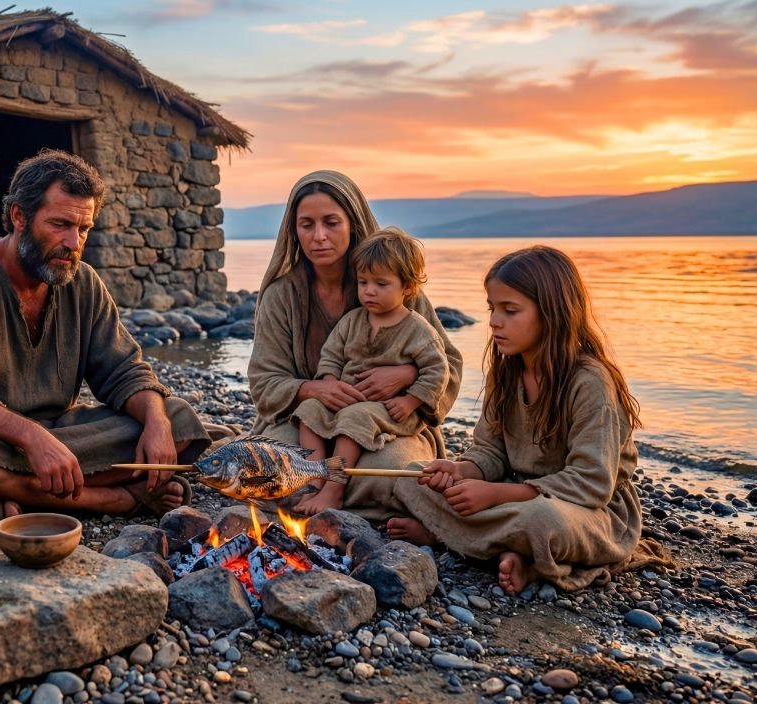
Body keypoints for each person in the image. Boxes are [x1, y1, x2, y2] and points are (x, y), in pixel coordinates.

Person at [0, 150, 211, 520]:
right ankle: (115, 500)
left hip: (59, 436)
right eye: (60, 224)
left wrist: (156, 424)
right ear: (19, 216)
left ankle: (16, 500)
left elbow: (124, 371)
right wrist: (31, 438)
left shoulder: (83, 282)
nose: (73, 243)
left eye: (83, 229)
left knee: (176, 417)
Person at [409, 245, 666, 593]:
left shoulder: (589, 382)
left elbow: (592, 483)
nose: (493, 321)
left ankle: (454, 537)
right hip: (514, 493)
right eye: (492, 308)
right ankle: (503, 548)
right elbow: (491, 451)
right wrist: (462, 471)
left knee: (543, 522)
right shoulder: (507, 372)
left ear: (552, 313)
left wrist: (498, 494)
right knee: (413, 477)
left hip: (587, 511)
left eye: (510, 310)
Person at [248, 170, 463, 530]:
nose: (319, 236)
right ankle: (330, 494)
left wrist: (407, 376)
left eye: (331, 222)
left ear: (353, 223)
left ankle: (333, 497)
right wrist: (315, 388)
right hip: (306, 425)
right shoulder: (281, 296)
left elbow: (448, 364)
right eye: (307, 224)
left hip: (384, 425)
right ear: (293, 231)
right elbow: (264, 381)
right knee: (266, 467)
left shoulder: (393, 285)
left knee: (395, 473)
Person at [290, 228, 450, 514]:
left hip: (393, 409)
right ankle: (313, 481)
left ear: (408, 287)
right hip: (349, 399)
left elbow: (438, 371)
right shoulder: (353, 321)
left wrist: (410, 400)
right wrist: (328, 381)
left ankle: (334, 489)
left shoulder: (417, 330)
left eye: (381, 284)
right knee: (311, 410)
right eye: (363, 282)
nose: (369, 291)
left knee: (355, 417)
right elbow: (331, 355)